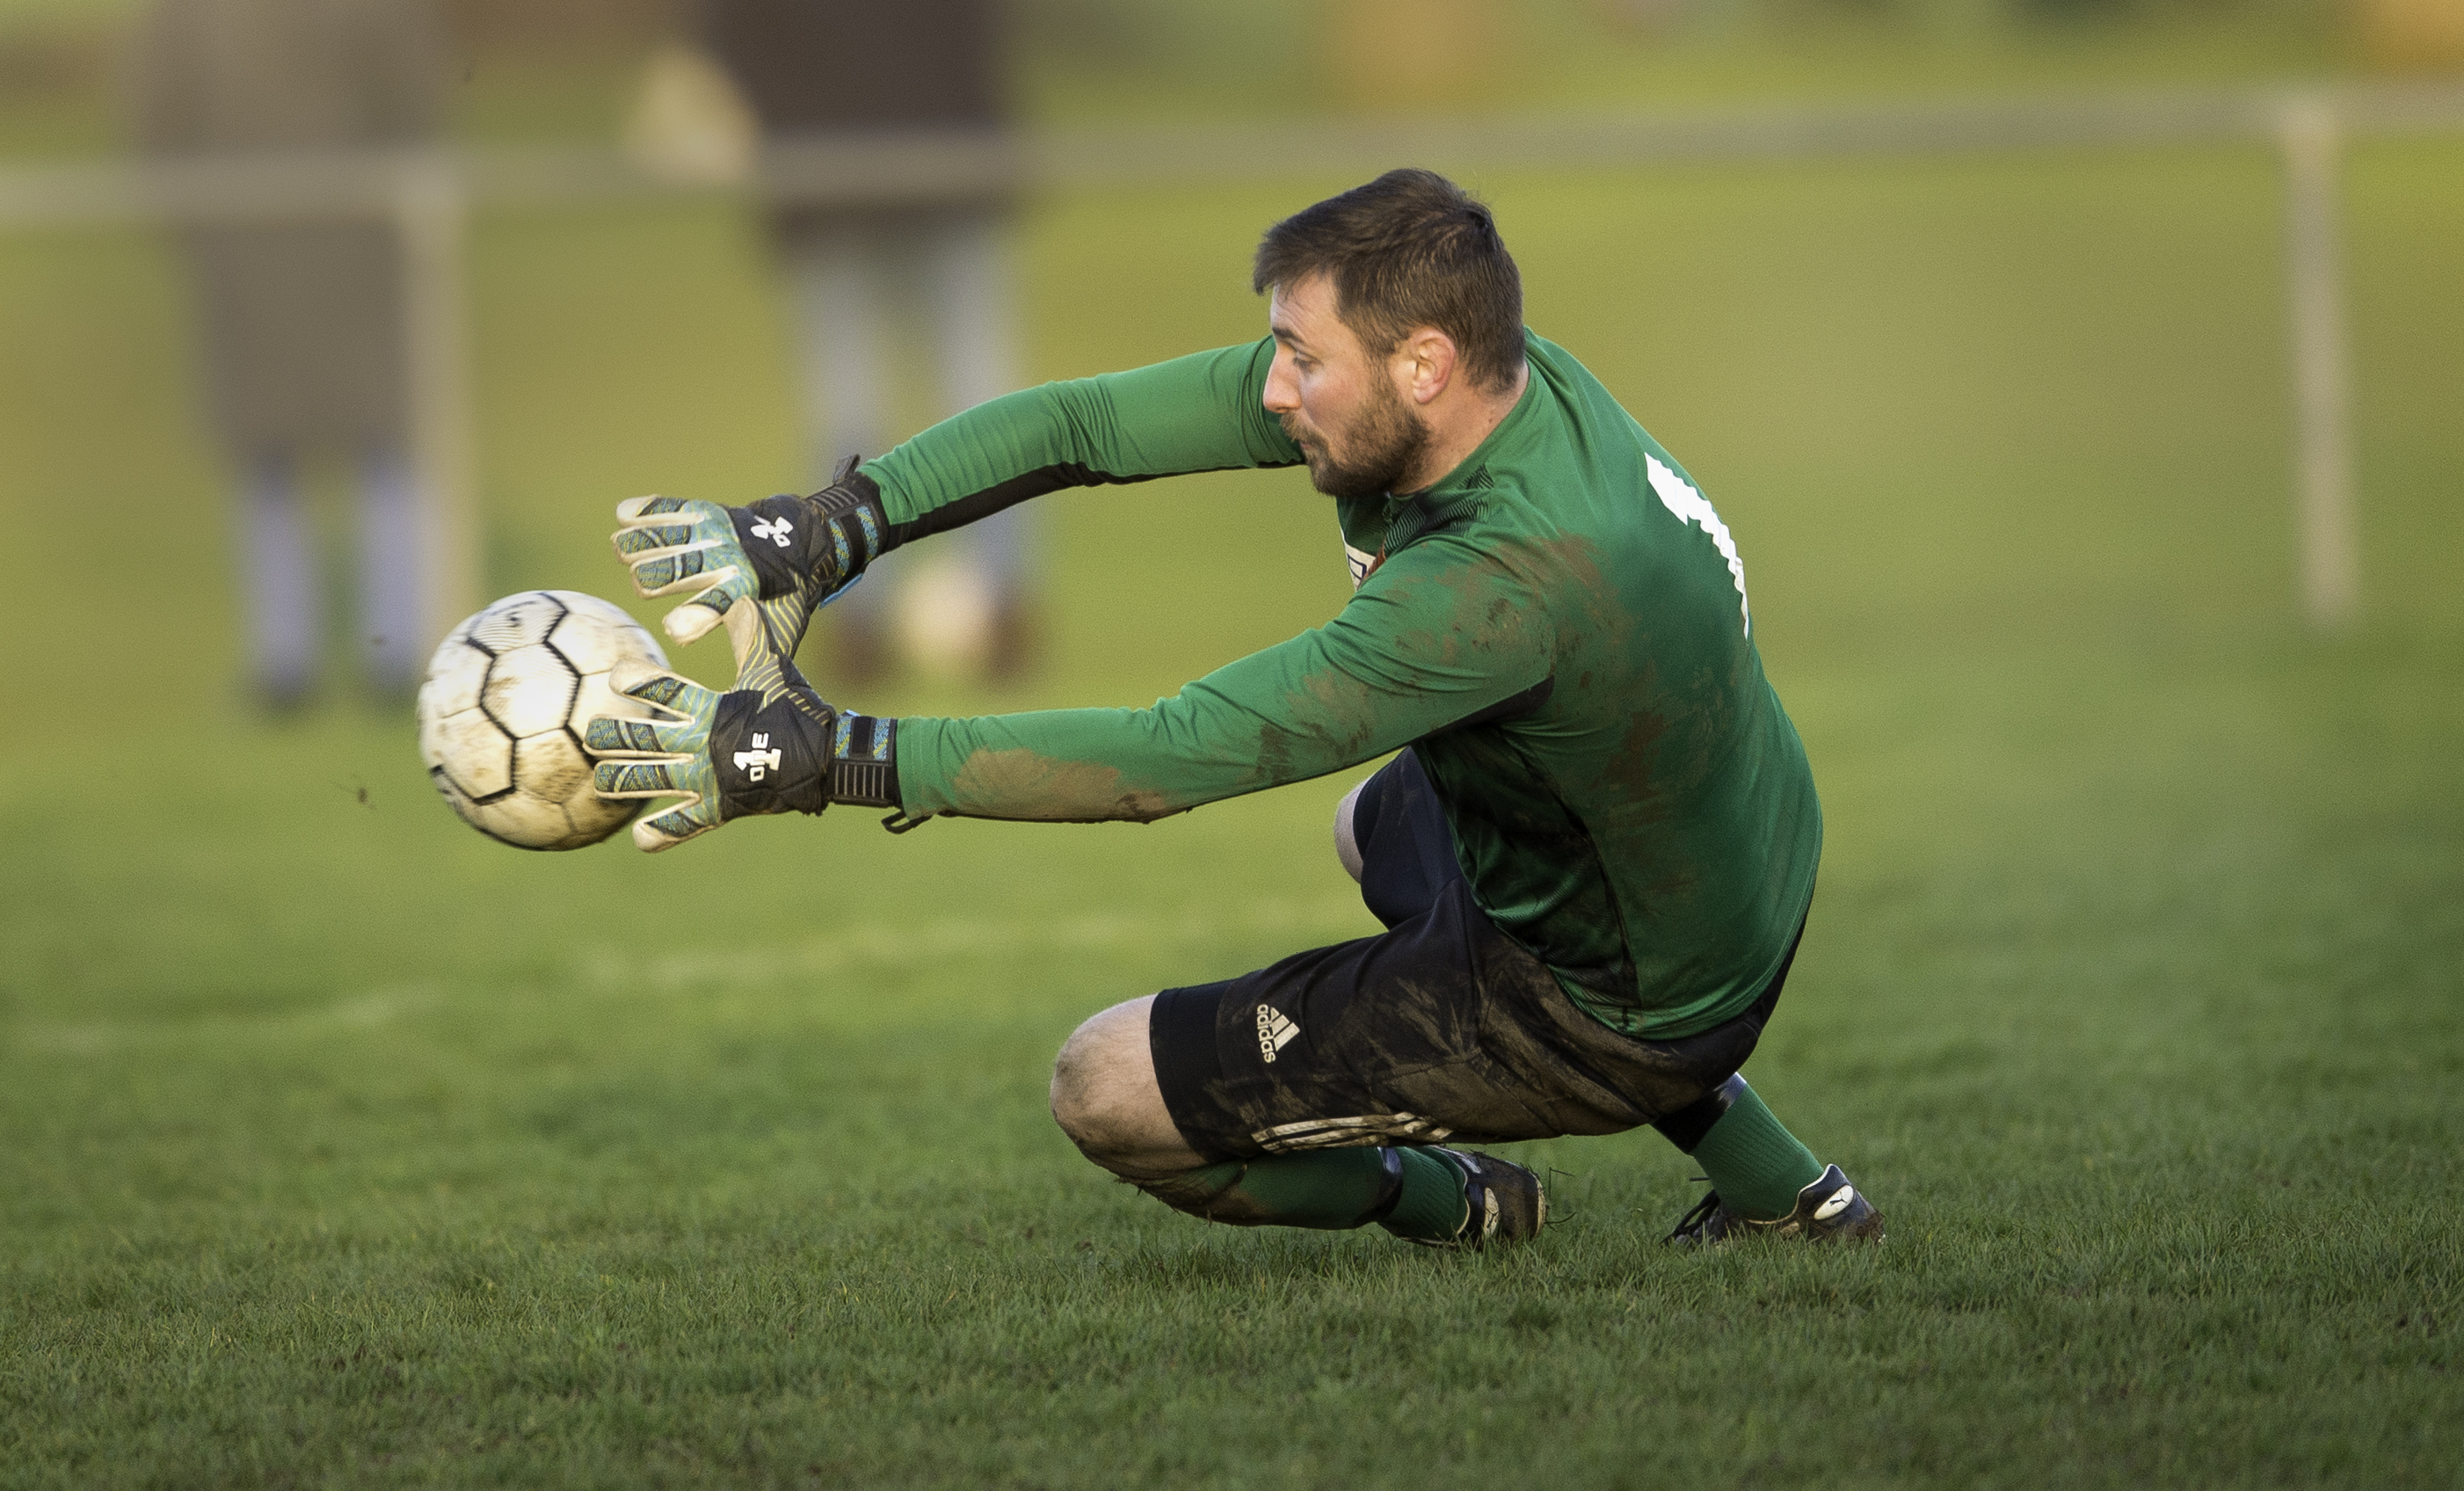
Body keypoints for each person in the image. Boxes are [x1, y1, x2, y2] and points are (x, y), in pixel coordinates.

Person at [589, 170, 1882, 1249]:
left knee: (1104, 1085)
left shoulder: (1498, 587)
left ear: (1422, 363)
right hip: (1738, 849)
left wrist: (828, 759)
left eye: (1302, 359)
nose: (1271, 389)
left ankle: (1454, 1202)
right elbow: (1090, 422)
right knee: (1369, 830)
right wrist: (830, 526)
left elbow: (1166, 757)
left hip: (1615, 998)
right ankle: (1792, 1195)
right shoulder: (1505, 385)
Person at [694, 0, 1033, 680]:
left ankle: (996, 602)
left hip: (941, 149)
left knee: (977, 398)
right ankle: (864, 614)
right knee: (852, 412)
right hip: (829, 165)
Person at [127, 0, 449, 706]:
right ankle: (316, 658)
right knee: (295, 452)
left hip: (334, 244)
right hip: (271, 243)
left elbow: (410, 104)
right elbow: (163, 118)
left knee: (362, 447)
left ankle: (346, 656)